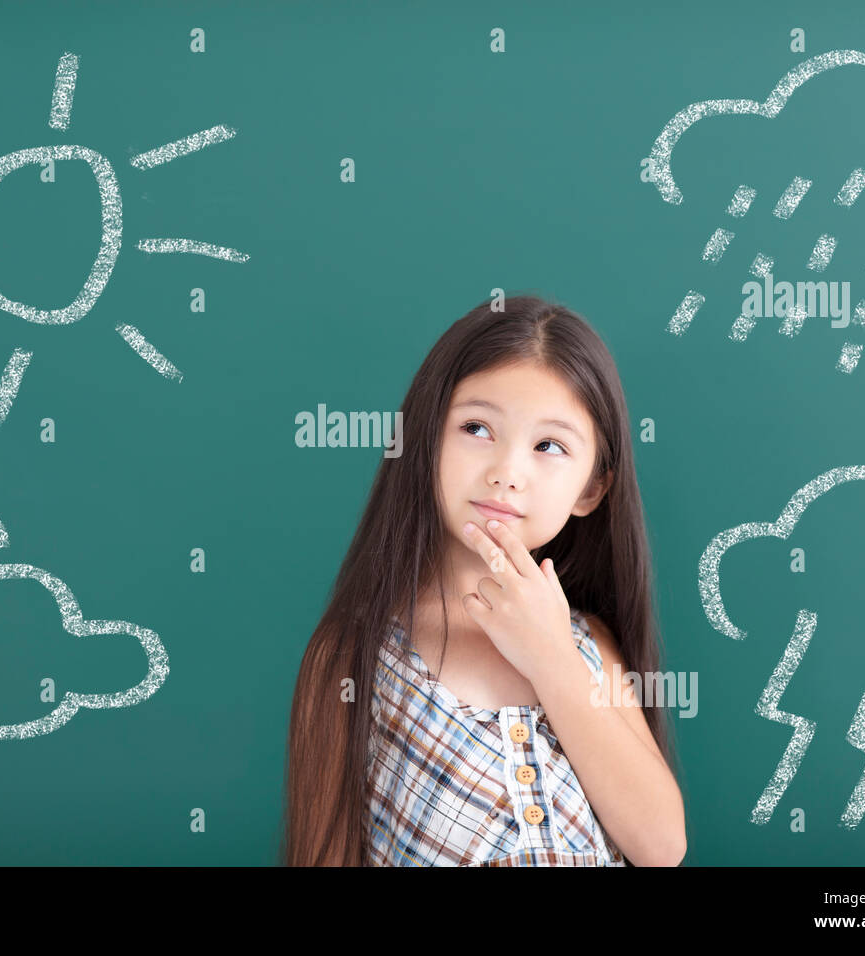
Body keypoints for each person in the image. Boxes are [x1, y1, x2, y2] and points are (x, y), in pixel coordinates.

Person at [281, 295, 685, 866]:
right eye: (476, 427)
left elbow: (662, 847)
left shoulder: (591, 646)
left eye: (549, 445)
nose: (506, 472)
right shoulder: (352, 658)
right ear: (423, 443)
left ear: (592, 489)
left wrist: (552, 659)